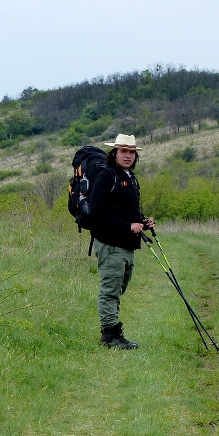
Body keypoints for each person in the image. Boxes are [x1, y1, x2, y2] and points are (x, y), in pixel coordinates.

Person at [89, 133, 155, 349]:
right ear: (114, 152)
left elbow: (125, 210)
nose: (128, 155)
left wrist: (143, 223)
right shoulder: (106, 176)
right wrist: (127, 226)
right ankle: (109, 336)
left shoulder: (128, 176)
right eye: (124, 151)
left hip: (126, 245)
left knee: (119, 288)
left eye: (131, 152)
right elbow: (97, 212)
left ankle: (114, 333)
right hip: (110, 244)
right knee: (110, 290)